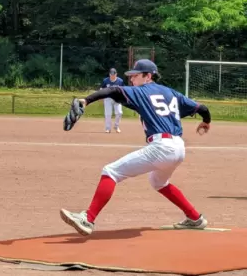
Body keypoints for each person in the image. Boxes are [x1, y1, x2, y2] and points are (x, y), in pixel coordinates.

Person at [60, 59, 211, 236]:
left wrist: (86, 100)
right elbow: (203, 108)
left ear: (148, 76)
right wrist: (206, 122)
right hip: (178, 148)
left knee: (110, 171)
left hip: (162, 147)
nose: (131, 80)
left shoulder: (142, 91)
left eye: (135, 76)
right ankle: (195, 218)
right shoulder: (171, 93)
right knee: (158, 182)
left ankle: (88, 218)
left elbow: (113, 90)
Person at [101, 68, 124, 133]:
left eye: (114, 74)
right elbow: (101, 89)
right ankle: (108, 128)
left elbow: (123, 90)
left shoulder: (120, 81)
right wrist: (100, 97)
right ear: (109, 74)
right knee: (108, 114)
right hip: (108, 98)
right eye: (111, 74)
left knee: (119, 112)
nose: (112, 76)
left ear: (116, 74)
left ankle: (116, 126)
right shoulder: (105, 81)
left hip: (117, 98)